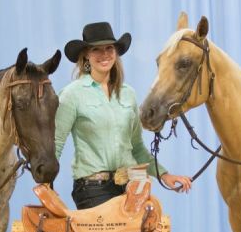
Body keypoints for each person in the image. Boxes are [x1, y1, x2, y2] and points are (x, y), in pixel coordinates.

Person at [55, 21, 191, 209]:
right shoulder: (72, 94)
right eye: (96, 49)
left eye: (109, 48)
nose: (104, 54)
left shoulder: (128, 94)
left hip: (132, 185)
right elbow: (56, 143)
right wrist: (47, 185)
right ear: (86, 54)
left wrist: (164, 174)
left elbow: (137, 149)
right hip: (93, 189)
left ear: (116, 52)